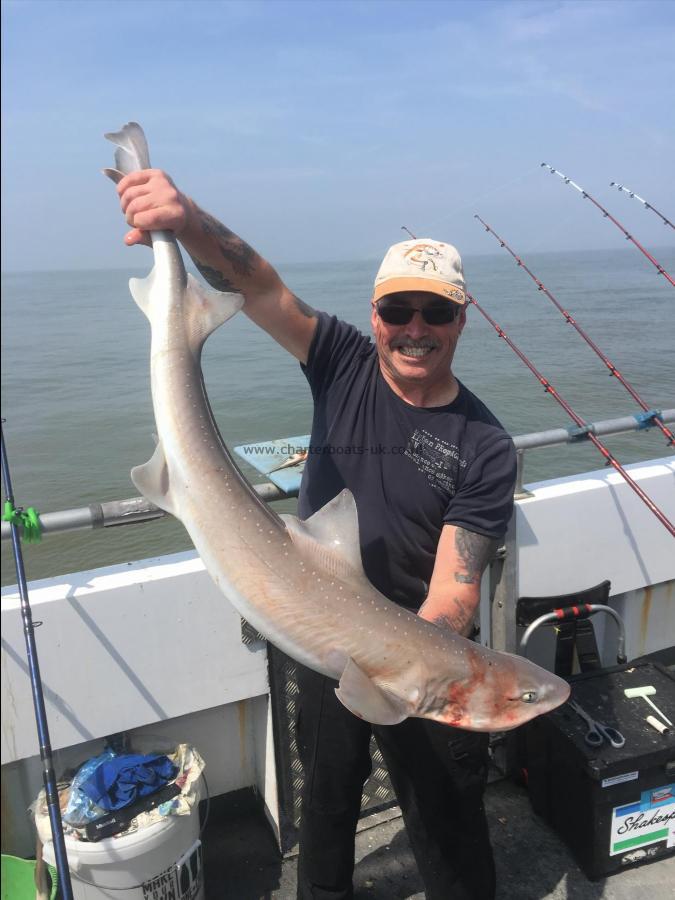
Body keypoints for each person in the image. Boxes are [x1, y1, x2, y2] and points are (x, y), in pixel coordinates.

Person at [116, 169, 517, 900]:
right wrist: (187, 222)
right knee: (326, 802)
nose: (416, 328)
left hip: (414, 656)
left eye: (436, 311)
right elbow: (262, 288)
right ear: (375, 315)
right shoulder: (340, 361)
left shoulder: (487, 446)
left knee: (447, 815)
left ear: (461, 319)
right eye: (400, 309)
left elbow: (454, 595)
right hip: (315, 633)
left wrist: (402, 676)